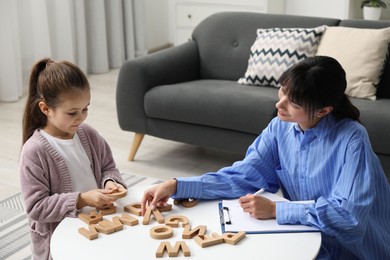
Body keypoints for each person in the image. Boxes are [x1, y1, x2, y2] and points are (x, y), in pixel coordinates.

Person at [141, 56, 390, 259]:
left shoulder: (352, 140)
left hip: (355, 251)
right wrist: (178, 185)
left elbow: (349, 219)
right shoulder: (279, 127)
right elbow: (244, 176)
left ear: (324, 110)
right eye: (282, 91)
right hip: (307, 237)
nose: (279, 105)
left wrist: (278, 210)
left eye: (293, 103)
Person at [20, 58, 126, 260]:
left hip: (98, 225)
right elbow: (36, 207)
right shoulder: (34, 152)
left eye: (85, 109)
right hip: (61, 240)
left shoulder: (88, 134)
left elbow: (107, 166)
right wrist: (82, 199)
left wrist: (110, 182)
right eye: (72, 113)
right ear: (46, 109)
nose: (81, 118)